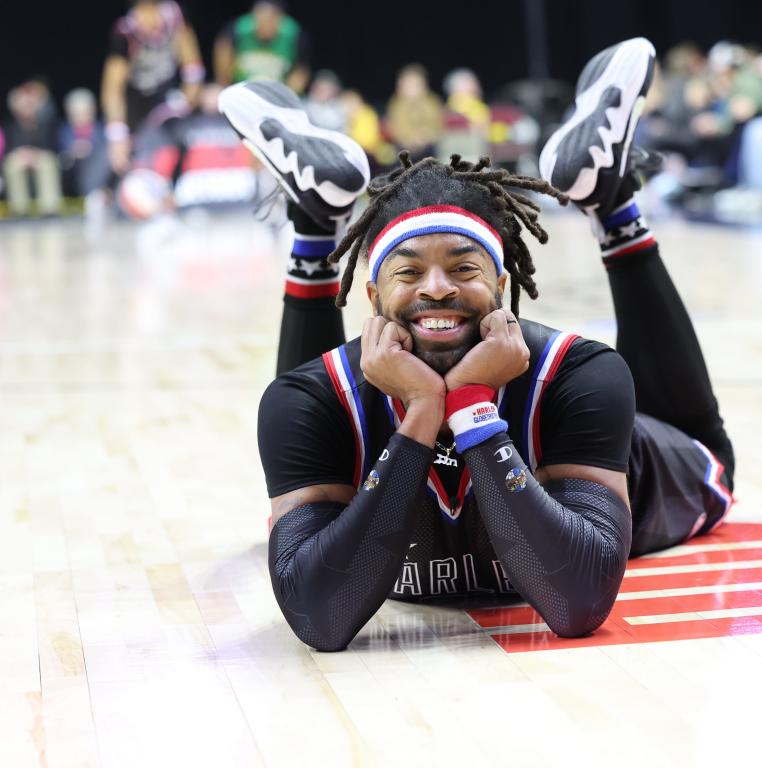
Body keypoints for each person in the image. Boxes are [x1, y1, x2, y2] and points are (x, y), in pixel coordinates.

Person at [220, 37, 734, 652]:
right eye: (408, 273)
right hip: (376, 427)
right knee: (322, 413)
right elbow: (320, 618)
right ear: (371, 294)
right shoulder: (303, 399)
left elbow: (574, 602)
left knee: (712, 463)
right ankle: (316, 229)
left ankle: (612, 203)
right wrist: (419, 424)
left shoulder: (577, 375)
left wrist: (470, 406)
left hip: (625, 458)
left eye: (464, 269)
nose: (436, 289)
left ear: (504, 285)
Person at [100, 0, 204, 177]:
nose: (147, 22)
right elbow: (112, 90)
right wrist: (117, 134)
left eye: (150, 12)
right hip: (134, 99)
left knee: (184, 137)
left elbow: (193, 67)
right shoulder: (126, 32)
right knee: (123, 156)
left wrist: (184, 101)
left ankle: (177, 188)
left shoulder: (175, 17)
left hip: (165, 95)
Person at [213, 0, 310, 95]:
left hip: (278, 94)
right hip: (241, 92)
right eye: (260, 18)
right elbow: (223, 64)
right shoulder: (237, 29)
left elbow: (301, 71)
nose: (265, 24)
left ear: (280, 19)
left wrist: (286, 97)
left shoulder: (294, 34)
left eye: (270, 19)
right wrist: (227, 90)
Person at [3, 79, 62, 217]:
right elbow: (8, 149)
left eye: (31, 104)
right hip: (20, 159)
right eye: (23, 104)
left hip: (40, 158)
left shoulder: (47, 123)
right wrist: (23, 155)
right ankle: (19, 209)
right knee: (12, 164)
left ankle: (49, 209)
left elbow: (52, 146)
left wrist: (34, 155)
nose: (27, 107)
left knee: (48, 162)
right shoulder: (9, 126)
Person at [385, 64, 444, 161]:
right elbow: (395, 127)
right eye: (407, 85)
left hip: (429, 147)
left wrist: (424, 137)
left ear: (424, 86)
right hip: (404, 149)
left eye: (415, 85)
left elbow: (437, 125)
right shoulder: (396, 104)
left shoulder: (432, 102)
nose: (411, 89)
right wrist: (410, 140)